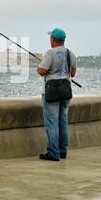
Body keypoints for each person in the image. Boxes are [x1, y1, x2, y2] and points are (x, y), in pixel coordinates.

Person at [37, 28, 77, 161]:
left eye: (51, 38)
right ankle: (62, 150)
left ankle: (53, 152)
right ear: (63, 40)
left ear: (53, 39)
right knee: (63, 121)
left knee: (52, 122)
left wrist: (43, 63)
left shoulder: (50, 53)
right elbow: (72, 74)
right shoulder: (71, 53)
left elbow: (41, 71)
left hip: (52, 92)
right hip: (66, 91)